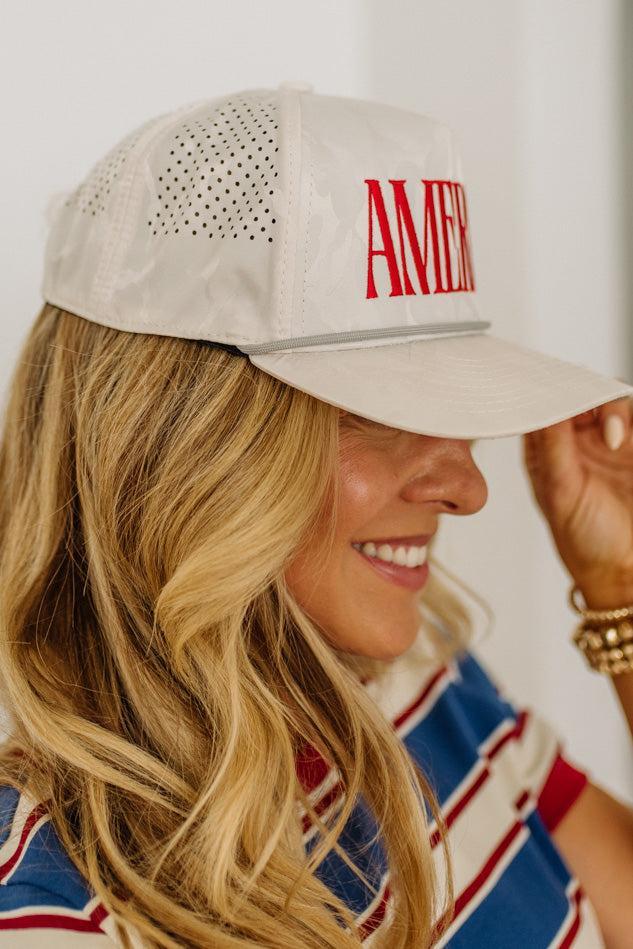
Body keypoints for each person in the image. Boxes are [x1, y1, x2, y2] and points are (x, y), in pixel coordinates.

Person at [1, 81, 633, 948]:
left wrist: (620, 590)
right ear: (180, 447)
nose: (469, 488)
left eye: (443, 399)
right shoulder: (61, 920)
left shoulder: (417, 684)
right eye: (373, 411)